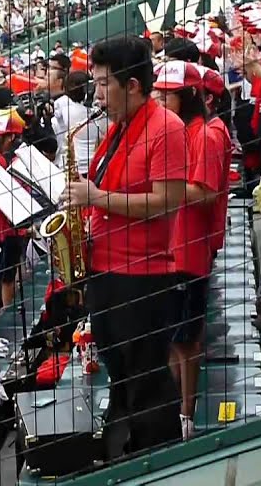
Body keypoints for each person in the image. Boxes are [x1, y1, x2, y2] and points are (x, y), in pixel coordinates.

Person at [65, 35, 187, 455]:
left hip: (142, 279)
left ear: (132, 85)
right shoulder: (117, 129)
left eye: (103, 84)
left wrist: (97, 199)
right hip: (108, 271)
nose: (97, 95)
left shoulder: (165, 128)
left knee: (146, 384)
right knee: (122, 376)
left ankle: (157, 458)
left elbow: (167, 202)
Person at [150, 60, 229, 440]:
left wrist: (161, 188)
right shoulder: (185, 132)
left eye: (166, 94)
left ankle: (185, 417)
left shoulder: (207, 135)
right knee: (172, 338)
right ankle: (171, 413)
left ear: (187, 96)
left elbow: (207, 194)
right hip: (172, 246)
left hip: (189, 248)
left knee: (186, 340)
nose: (159, 100)